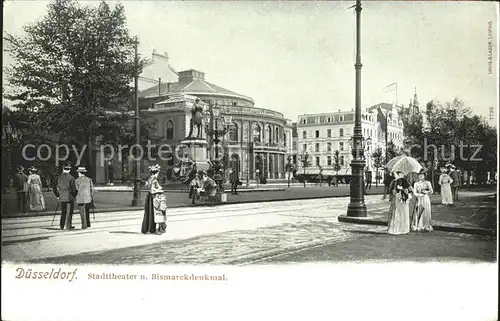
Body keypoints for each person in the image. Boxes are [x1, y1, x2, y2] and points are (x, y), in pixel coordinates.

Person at [53, 163, 77, 230]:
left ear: (63, 169)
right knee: (70, 212)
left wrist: (57, 195)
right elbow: (73, 189)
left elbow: (54, 187)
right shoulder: (71, 178)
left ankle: (62, 225)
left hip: (61, 196)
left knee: (63, 211)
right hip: (69, 196)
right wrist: (74, 195)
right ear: (69, 170)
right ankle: (68, 225)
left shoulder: (58, 177)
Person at [387, 171, 411, 235]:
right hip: (396, 198)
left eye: (400, 174)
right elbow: (390, 190)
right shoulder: (394, 181)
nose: (397, 175)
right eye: (396, 174)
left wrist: (403, 189)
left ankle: (404, 229)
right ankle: (396, 228)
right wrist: (392, 191)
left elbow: (410, 189)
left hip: (403, 199)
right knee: (397, 212)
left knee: (403, 212)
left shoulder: (404, 181)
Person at [141, 164, 162, 234]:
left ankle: (147, 228)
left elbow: (148, 187)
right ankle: (151, 229)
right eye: (158, 173)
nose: (158, 175)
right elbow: (154, 189)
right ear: (156, 173)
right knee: (153, 213)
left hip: (149, 196)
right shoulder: (154, 180)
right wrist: (159, 190)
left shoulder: (149, 179)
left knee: (148, 212)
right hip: (153, 196)